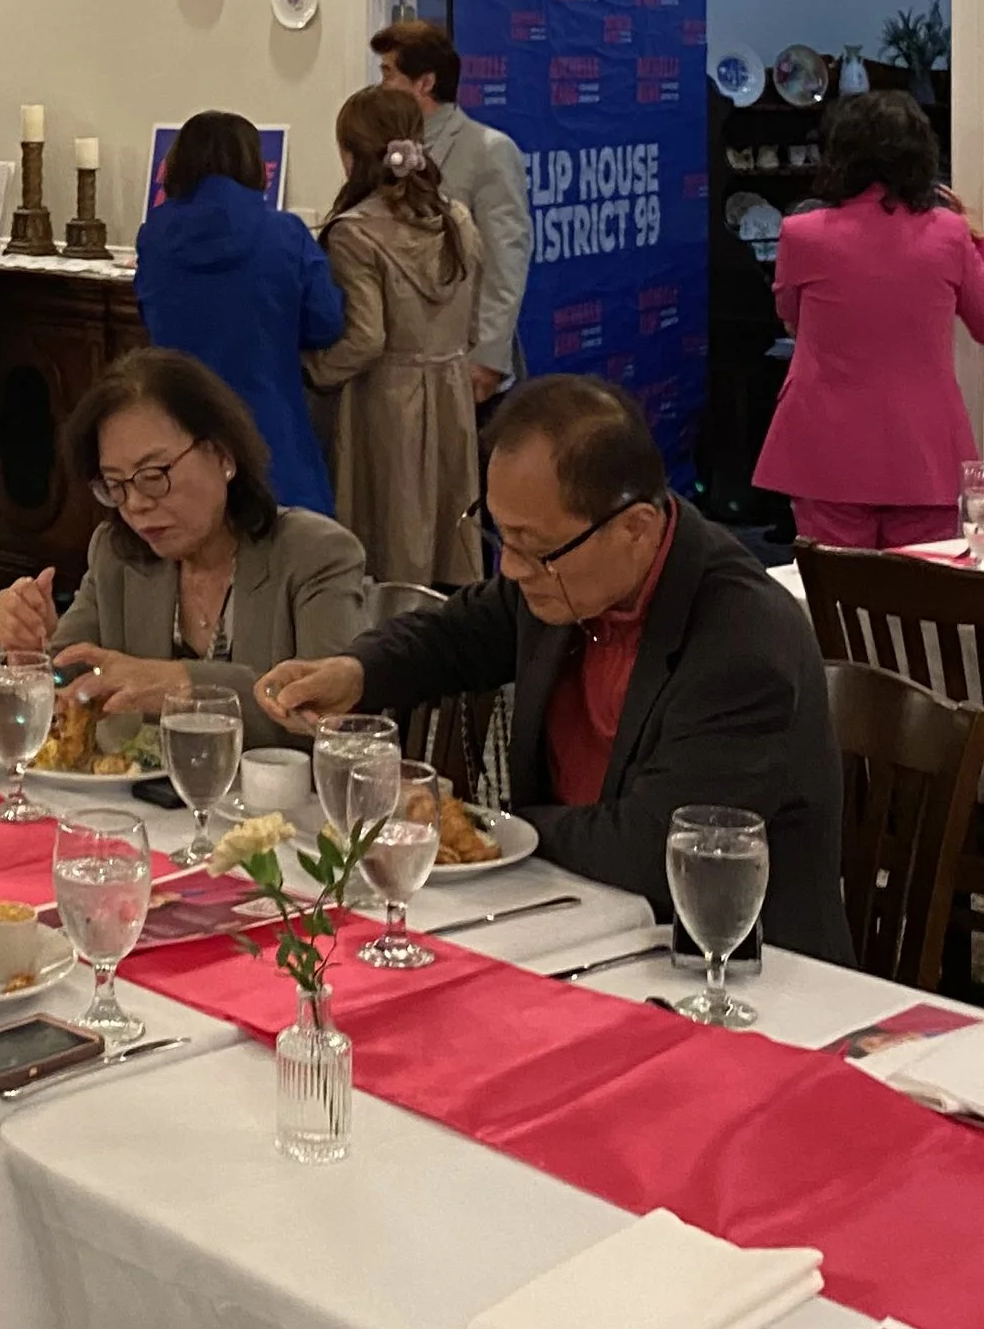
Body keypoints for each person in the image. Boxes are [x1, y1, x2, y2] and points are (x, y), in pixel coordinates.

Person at [257, 373, 852, 958]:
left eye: (533, 548)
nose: (511, 568)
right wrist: (356, 672)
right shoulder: (564, 573)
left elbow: (653, 848)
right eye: (501, 536)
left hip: (726, 965)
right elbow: (459, 632)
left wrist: (488, 828)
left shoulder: (742, 643)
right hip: (570, 917)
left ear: (636, 528)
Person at [0, 350, 369, 746]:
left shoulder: (316, 554)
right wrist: (30, 655)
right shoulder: (117, 554)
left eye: (154, 474)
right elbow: (70, 676)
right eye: (116, 485)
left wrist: (182, 685)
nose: (135, 504)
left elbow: (331, 719)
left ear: (223, 455)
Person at [752, 90, 984, 547]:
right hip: (923, 451)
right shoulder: (950, 234)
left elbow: (791, 320)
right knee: (920, 587)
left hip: (824, 448)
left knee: (834, 585)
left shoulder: (802, 234)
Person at [304, 86, 483, 585]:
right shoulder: (457, 219)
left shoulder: (354, 232)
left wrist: (314, 369)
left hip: (385, 402)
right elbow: (472, 317)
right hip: (450, 389)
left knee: (389, 539)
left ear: (351, 155)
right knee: (447, 534)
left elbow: (365, 338)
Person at [133, 109, 341, 516]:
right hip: (270, 428)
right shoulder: (284, 233)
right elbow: (326, 322)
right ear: (254, 165)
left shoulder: (154, 235)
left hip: (180, 423)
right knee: (286, 545)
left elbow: (147, 311)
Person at [370, 21, 534, 404]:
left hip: (466, 363)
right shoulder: (388, 152)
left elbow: (506, 261)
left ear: (424, 83)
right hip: (406, 366)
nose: (381, 86)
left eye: (388, 73)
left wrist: (488, 358)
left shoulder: (488, 150)